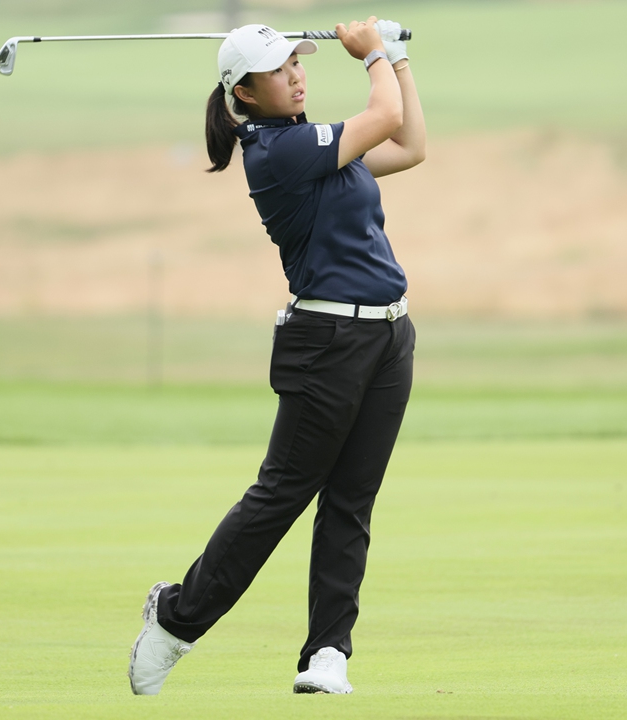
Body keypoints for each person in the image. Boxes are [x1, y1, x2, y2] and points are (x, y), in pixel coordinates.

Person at [128, 16, 425, 696]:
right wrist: (373, 52)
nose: (295, 74)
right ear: (245, 95)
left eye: (297, 61)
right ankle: (176, 620)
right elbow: (383, 114)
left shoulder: (313, 144)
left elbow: (408, 144)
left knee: (351, 500)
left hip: (386, 337)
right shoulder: (277, 151)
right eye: (278, 69)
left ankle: (327, 654)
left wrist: (399, 61)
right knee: (283, 493)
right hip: (326, 343)